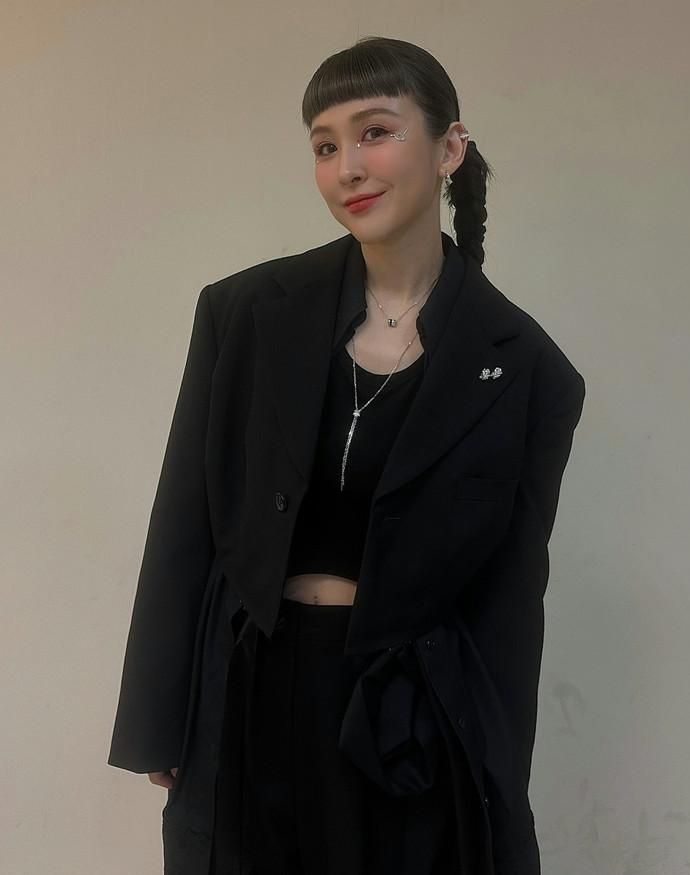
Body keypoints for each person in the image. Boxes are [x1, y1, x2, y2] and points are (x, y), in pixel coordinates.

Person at [107, 35, 586, 875]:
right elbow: (184, 520)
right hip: (248, 691)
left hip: (405, 716)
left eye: (375, 132)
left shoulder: (528, 369)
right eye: (325, 146)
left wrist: (497, 784)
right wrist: (157, 718)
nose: (348, 168)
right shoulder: (245, 312)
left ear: (449, 147)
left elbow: (510, 601)